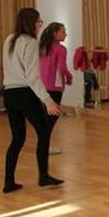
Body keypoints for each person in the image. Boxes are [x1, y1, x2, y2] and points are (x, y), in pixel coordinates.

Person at [2, 8, 62, 194]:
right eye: (38, 21)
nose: (39, 25)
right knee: (43, 131)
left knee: (18, 138)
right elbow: (32, 77)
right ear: (31, 22)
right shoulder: (30, 42)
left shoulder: (9, 40)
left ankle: (9, 183)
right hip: (24, 94)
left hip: (9, 94)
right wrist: (48, 100)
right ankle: (43, 176)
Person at [39, 22, 73, 155]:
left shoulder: (41, 47)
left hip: (41, 87)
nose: (66, 34)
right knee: (50, 119)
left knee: (45, 118)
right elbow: (62, 67)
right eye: (63, 32)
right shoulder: (60, 48)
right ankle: (44, 147)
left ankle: (43, 145)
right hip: (54, 87)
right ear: (55, 34)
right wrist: (69, 77)